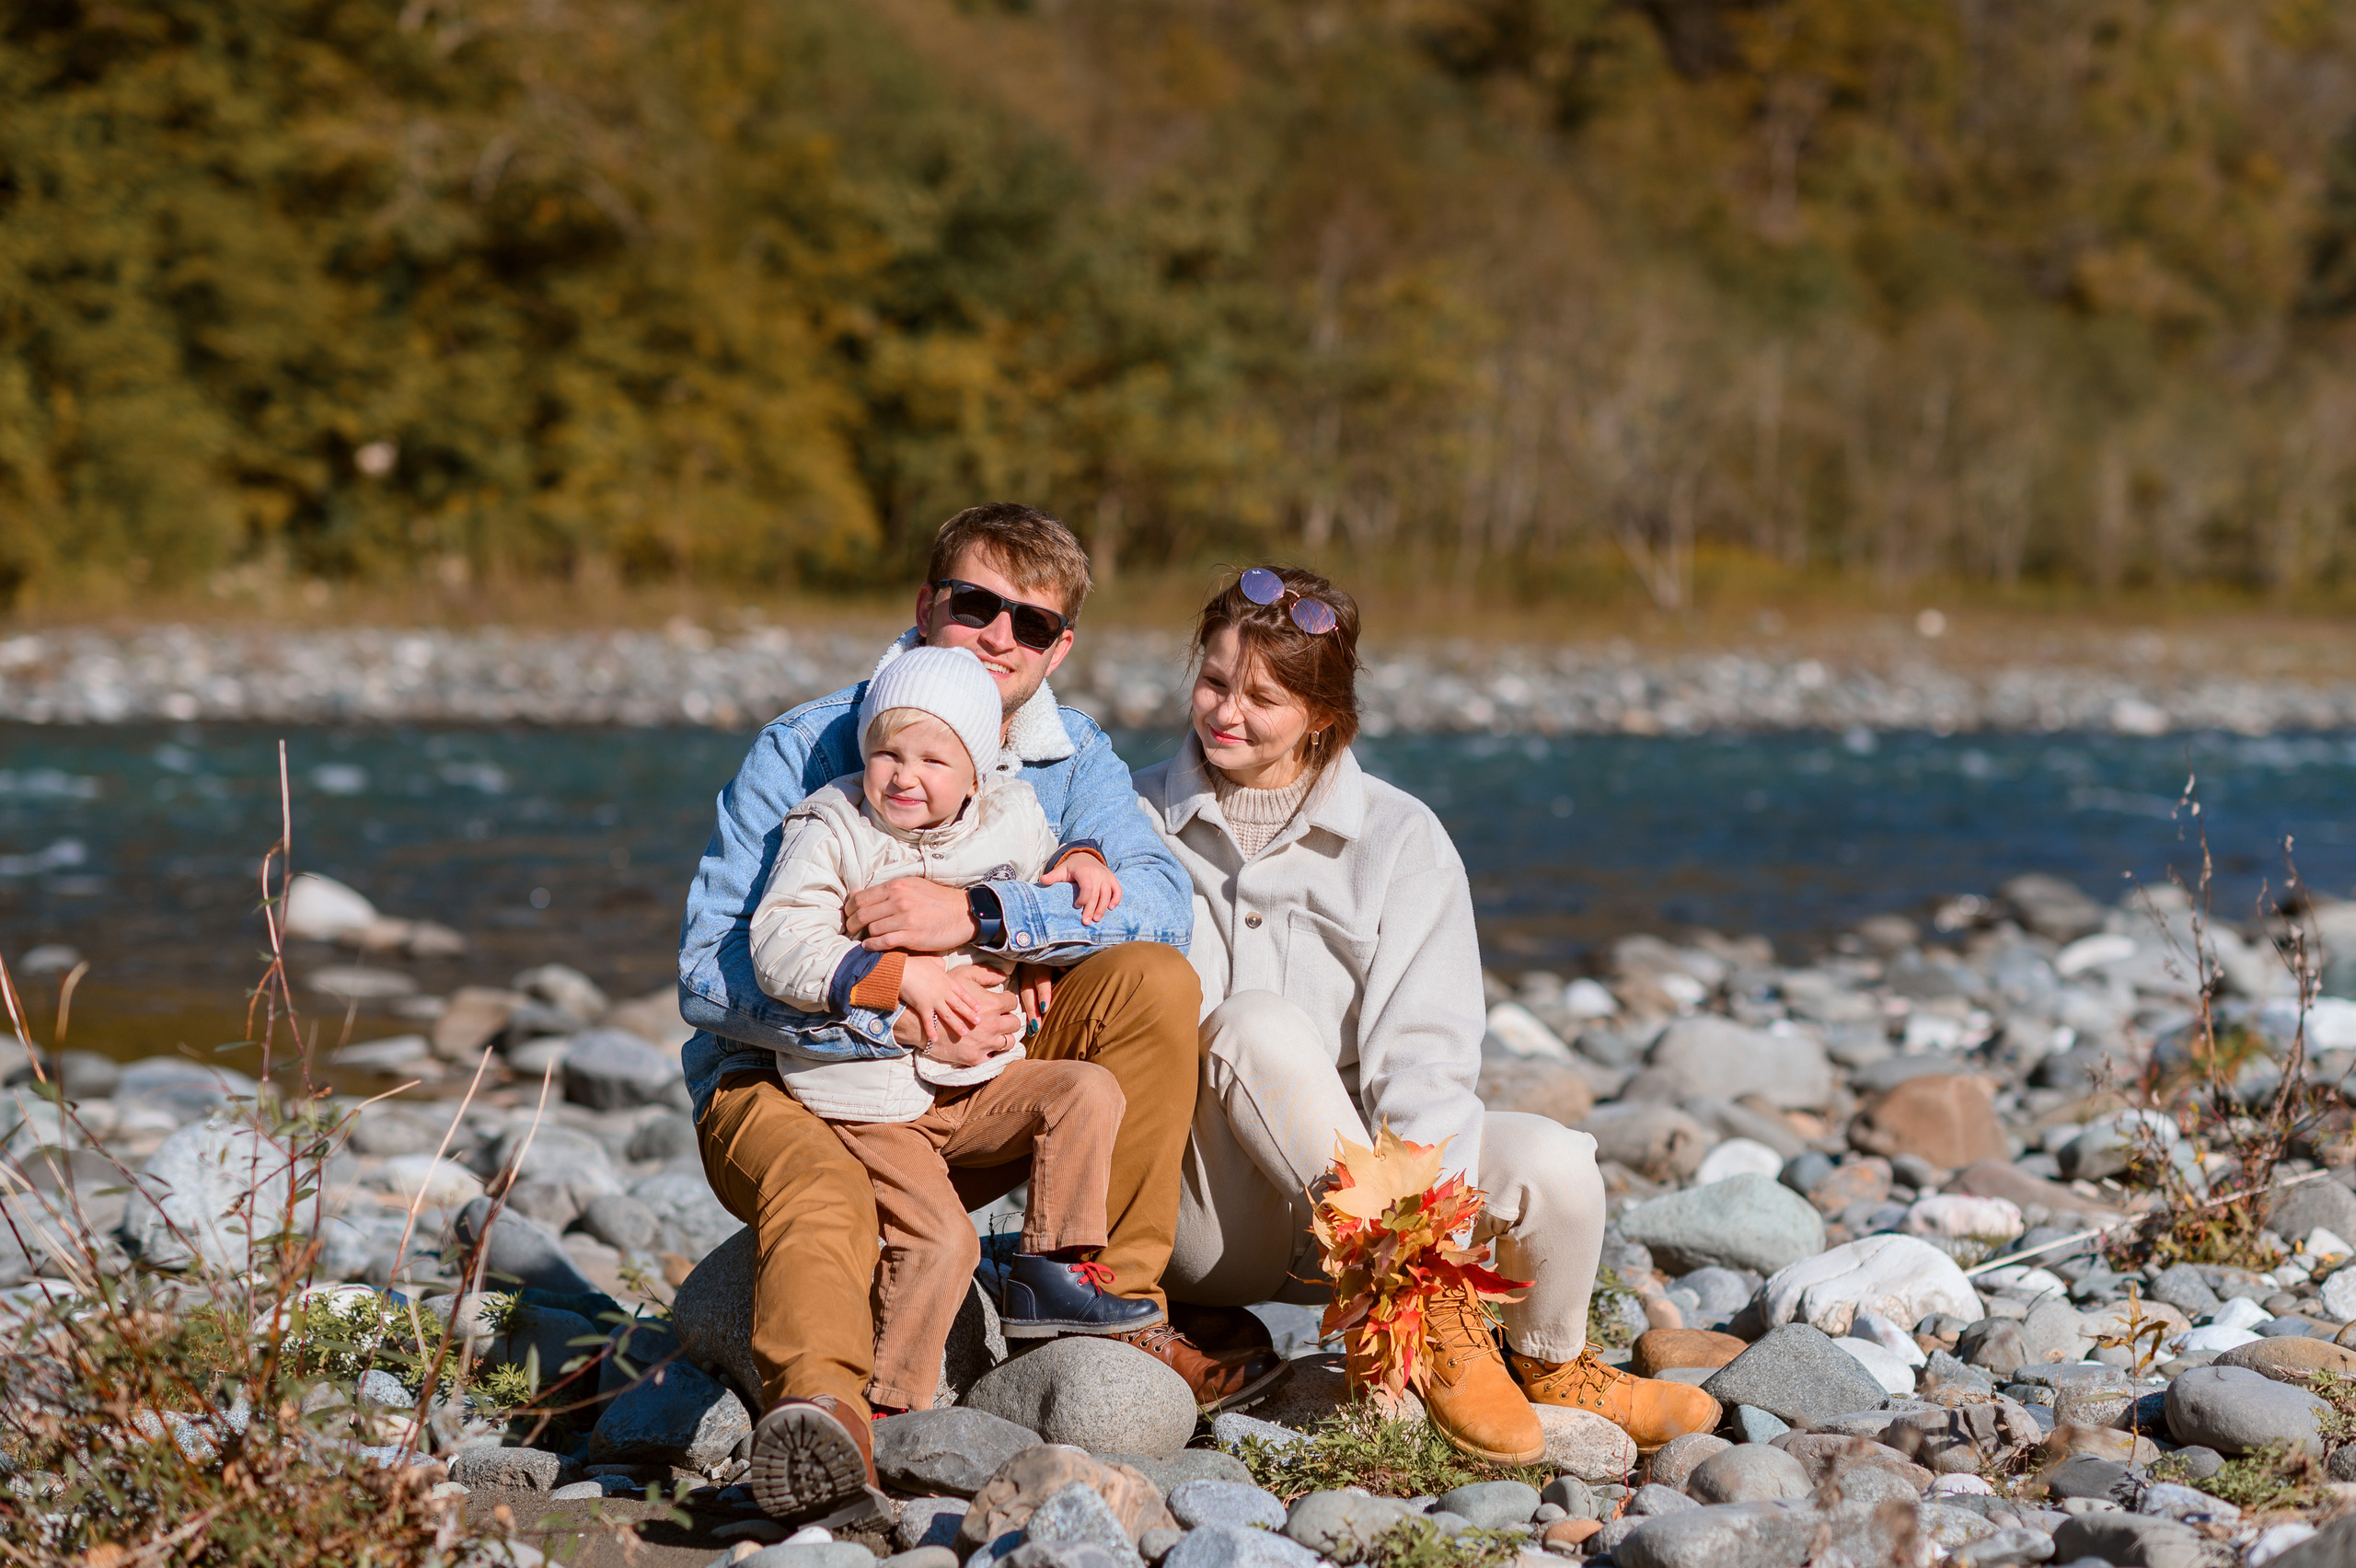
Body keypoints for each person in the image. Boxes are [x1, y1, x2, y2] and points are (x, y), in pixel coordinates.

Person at [677, 504, 1286, 1527]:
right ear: (926, 607)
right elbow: (709, 976)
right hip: (788, 1082)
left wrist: (987, 920)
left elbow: (1159, 908)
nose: (1000, 636)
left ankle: (1098, 1305)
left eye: (1033, 623)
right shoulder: (810, 750)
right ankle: (827, 1417)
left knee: (1148, 981)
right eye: (976, 603)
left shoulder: (1069, 756)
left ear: (1061, 648)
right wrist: (897, 999)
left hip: (972, 1085)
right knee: (825, 1199)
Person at [1132, 565, 1721, 1462]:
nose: (1224, 712)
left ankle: (1550, 1368)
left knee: (1555, 1165)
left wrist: (1430, 1221)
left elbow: (1427, 1056)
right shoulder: (1130, 817)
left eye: (1262, 697)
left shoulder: (1402, 838)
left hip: (1360, 1193)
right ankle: (1419, 1299)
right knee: (1255, 1022)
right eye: (1214, 681)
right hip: (1210, 1217)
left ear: (1324, 714)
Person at [746, 642, 1160, 1413]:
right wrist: (903, 980)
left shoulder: (1010, 815)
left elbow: (1042, 879)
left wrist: (1079, 861)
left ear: (979, 771)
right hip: (868, 1100)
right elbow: (779, 946)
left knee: (1085, 1091)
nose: (904, 777)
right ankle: (892, 1403)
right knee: (945, 1242)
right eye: (886, 753)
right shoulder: (832, 825)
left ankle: (1052, 1268)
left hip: (973, 1084)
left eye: (934, 761)